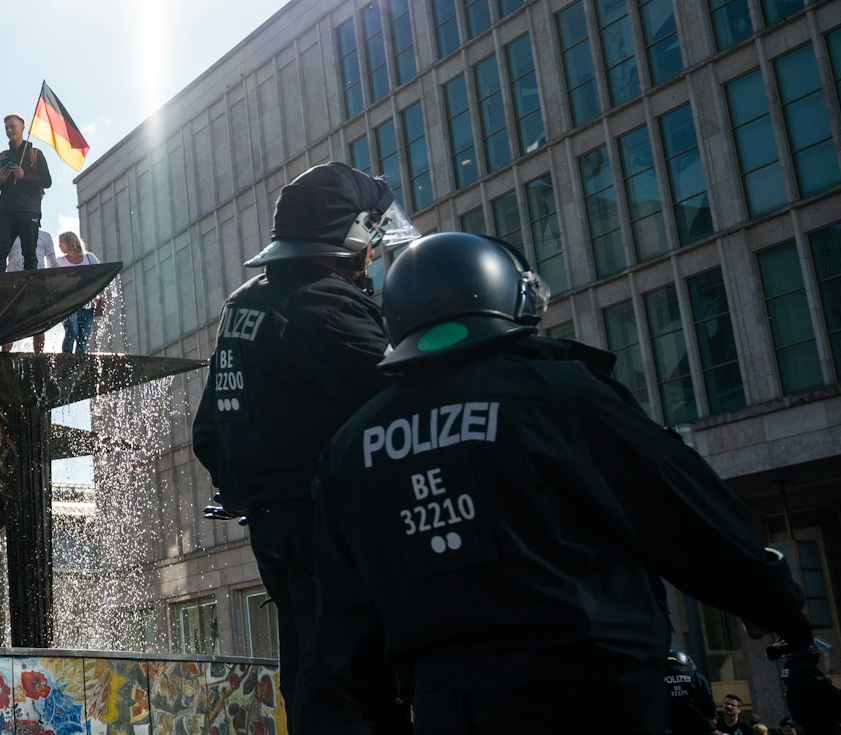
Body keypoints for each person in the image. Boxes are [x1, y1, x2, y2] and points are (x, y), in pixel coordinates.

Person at [312, 232, 814, 735]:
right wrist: (776, 604)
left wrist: (385, 714)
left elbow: (345, 615)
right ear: (512, 296)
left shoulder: (351, 448)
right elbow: (685, 514)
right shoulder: (560, 396)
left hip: (446, 702)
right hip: (588, 691)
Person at [191, 161, 403, 735]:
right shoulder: (323, 305)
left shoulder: (247, 303)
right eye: (374, 238)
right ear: (352, 236)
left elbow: (208, 430)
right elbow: (408, 395)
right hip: (330, 524)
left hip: (274, 523)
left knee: (308, 664)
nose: (377, 256)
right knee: (349, 683)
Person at [0, 112, 51, 277]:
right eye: (7, 128)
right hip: (5, 212)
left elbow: (47, 181)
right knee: (0, 252)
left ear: (23, 128)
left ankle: (31, 285)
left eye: (13, 126)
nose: (9, 130)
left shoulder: (35, 154)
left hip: (29, 210)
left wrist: (25, 176)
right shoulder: (2, 157)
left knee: (30, 253)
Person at [54, 232, 102, 354]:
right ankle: (66, 359)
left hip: (88, 302)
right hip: (68, 304)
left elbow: (100, 276)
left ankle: (79, 363)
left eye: (61, 242)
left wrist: (101, 295)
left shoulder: (89, 258)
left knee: (83, 337)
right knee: (71, 331)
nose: (59, 245)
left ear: (70, 242)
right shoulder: (59, 262)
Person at [667, 648, 717, 735]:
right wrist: (712, 716)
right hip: (700, 726)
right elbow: (708, 700)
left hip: (673, 727)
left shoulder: (659, 681)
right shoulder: (696, 677)